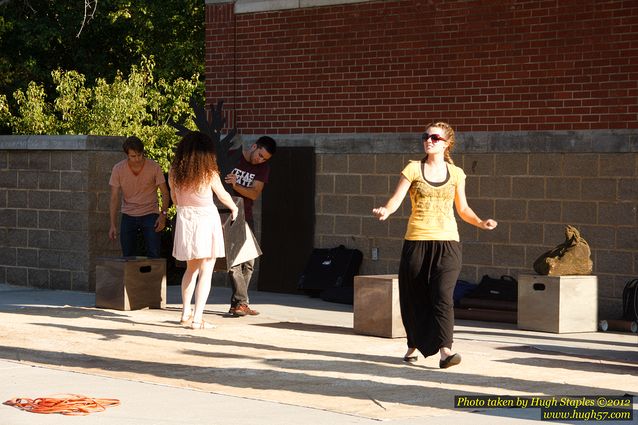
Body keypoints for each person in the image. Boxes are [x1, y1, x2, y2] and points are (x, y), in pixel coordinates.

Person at [373, 121, 497, 369]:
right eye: (426, 136)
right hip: (417, 240)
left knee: (442, 295)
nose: (429, 140)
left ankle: (445, 351)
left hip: (448, 241)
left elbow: (462, 209)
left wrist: (480, 222)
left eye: (435, 138)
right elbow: (396, 199)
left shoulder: (457, 173)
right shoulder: (413, 169)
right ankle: (413, 345)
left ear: (447, 143)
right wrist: (386, 210)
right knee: (414, 296)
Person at [169, 131, 238, 330]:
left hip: (185, 219)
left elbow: (174, 198)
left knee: (190, 269)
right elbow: (223, 195)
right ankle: (198, 319)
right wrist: (234, 208)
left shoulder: (175, 171)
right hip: (205, 220)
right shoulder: (208, 172)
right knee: (206, 271)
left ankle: (185, 314)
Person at [223, 136, 277, 317]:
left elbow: (254, 194)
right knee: (235, 261)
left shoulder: (263, 168)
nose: (260, 160)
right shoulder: (231, 156)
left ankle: (238, 304)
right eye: (260, 155)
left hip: (247, 215)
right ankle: (241, 303)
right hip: (229, 214)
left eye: (264, 159)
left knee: (250, 261)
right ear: (254, 146)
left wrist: (235, 184)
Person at [109, 136, 169, 258]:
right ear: (127, 155)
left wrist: (163, 215)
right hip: (128, 214)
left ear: (143, 152)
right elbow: (114, 198)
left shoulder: (154, 167)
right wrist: (113, 224)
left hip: (150, 213)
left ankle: (155, 278)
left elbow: (165, 193)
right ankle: (131, 278)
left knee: (154, 254)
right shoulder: (118, 169)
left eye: (139, 155)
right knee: (127, 256)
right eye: (133, 156)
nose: (137, 159)